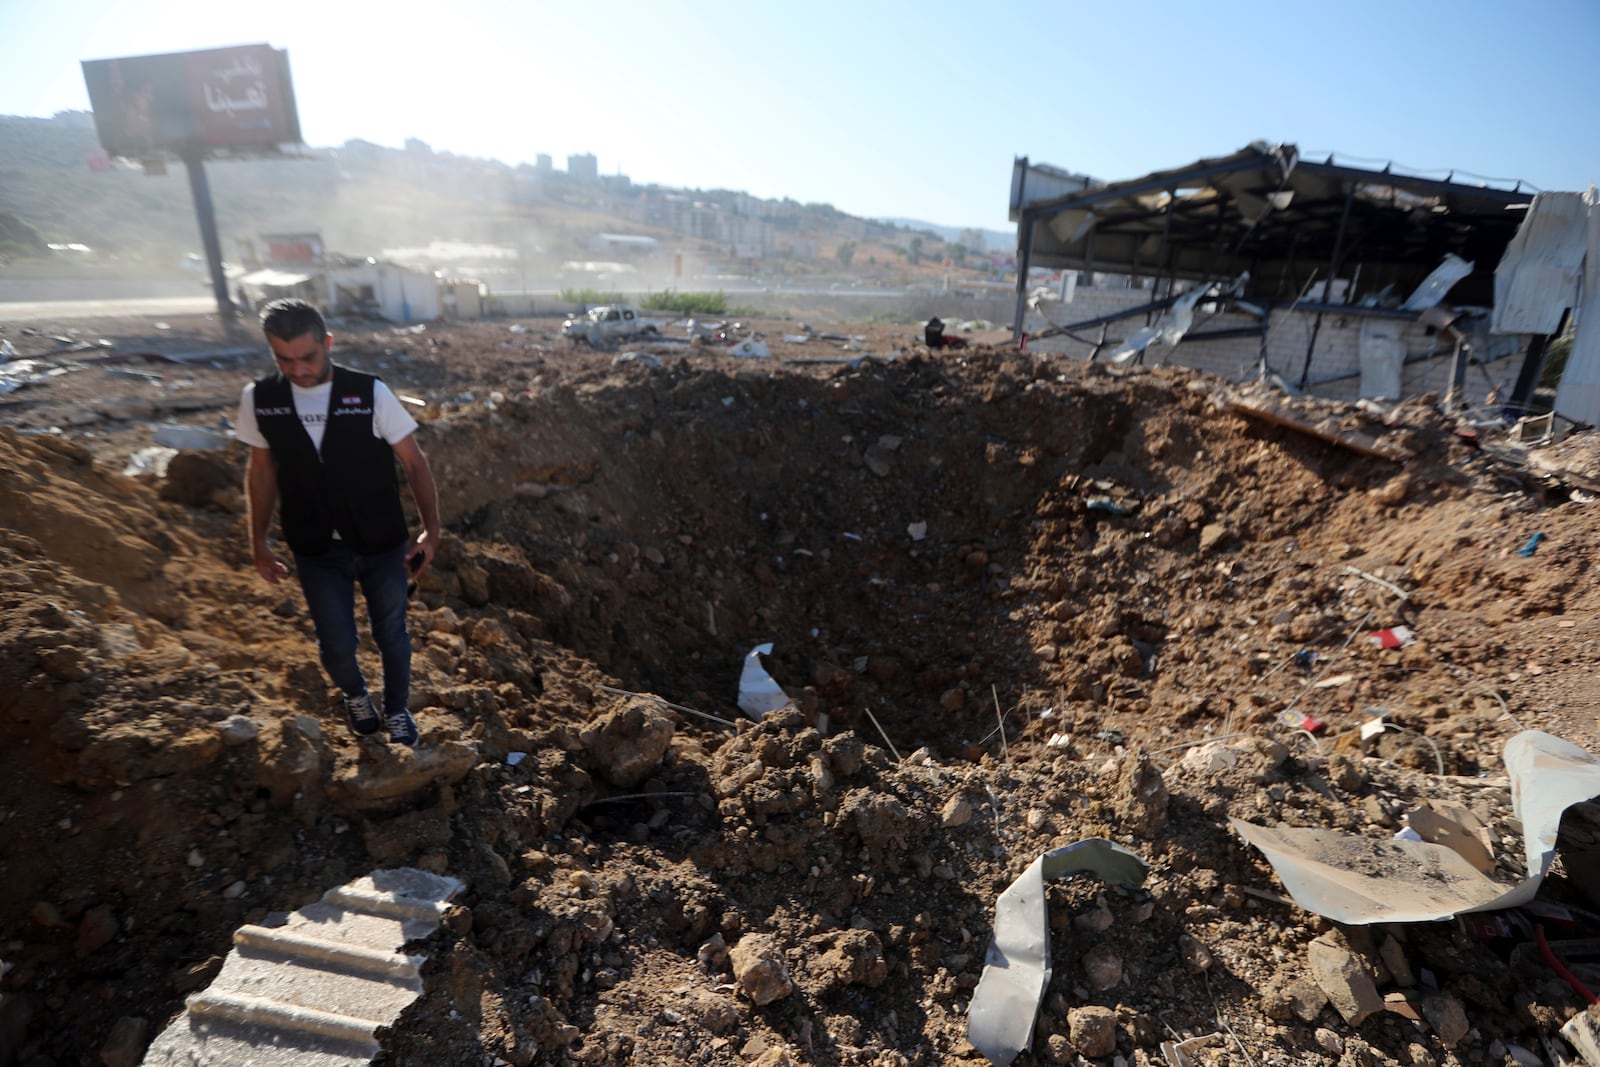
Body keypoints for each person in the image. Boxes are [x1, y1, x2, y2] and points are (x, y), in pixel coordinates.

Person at [236, 298, 439, 746]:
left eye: (307, 357)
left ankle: (397, 709)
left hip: (380, 540)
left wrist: (431, 529)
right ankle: (355, 695)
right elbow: (261, 472)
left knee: (392, 632)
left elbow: (415, 463)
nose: (299, 370)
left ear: (327, 343)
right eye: (284, 359)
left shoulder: (369, 393)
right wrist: (258, 542)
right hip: (315, 546)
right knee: (336, 646)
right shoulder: (261, 400)